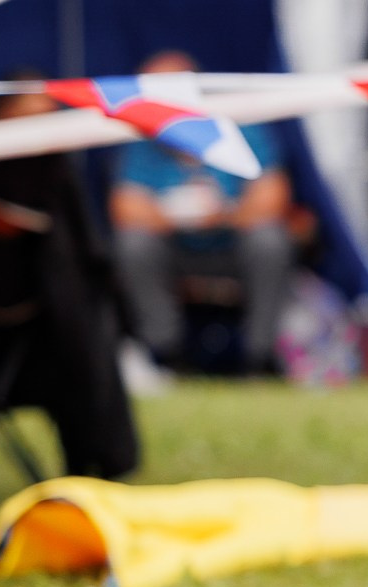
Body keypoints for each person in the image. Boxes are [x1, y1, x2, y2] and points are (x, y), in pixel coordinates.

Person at [0, 78, 139, 479]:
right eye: (27, 112)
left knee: (79, 362)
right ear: (0, 112)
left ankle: (89, 466)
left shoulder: (51, 171)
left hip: (43, 336)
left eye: (46, 115)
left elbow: (83, 255)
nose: (37, 122)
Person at [109, 50, 293, 372]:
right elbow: (124, 208)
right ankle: (164, 354)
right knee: (134, 245)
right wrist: (175, 216)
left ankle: (260, 358)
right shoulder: (141, 141)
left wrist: (222, 215)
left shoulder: (238, 129)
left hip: (231, 246)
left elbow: (273, 197)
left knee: (270, 240)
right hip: (175, 249)